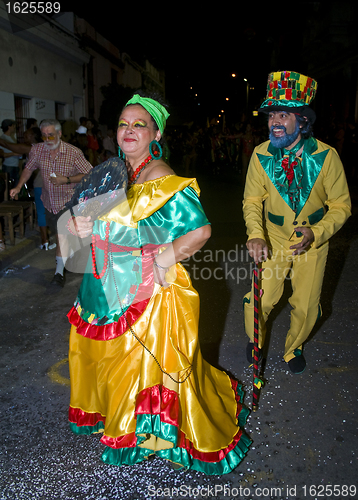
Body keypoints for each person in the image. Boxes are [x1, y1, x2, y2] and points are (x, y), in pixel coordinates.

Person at [64, 93, 251, 474]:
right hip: (105, 282)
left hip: (146, 293)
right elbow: (92, 220)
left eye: (139, 124)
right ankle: (118, 415)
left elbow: (199, 232)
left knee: (138, 363)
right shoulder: (116, 171)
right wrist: (77, 224)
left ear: (156, 133)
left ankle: (144, 434)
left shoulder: (159, 176)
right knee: (110, 357)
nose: (129, 131)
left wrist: (156, 260)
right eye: (123, 124)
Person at [242, 70, 351, 374]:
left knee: (305, 307)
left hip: (313, 245)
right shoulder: (261, 155)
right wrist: (256, 234)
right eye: (272, 114)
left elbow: (342, 205)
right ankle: (256, 340)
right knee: (259, 298)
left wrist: (317, 232)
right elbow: (252, 200)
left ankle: (294, 348)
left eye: (284, 114)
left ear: (302, 121)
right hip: (274, 239)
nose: (275, 121)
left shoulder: (327, 157)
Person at [9, 119, 92, 286]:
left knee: (62, 236)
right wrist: (18, 186)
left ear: (59, 134)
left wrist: (67, 179)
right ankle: (68, 259)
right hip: (49, 202)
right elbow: (28, 168)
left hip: (69, 201)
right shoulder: (38, 150)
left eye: (51, 135)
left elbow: (90, 173)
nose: (47, 140)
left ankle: (58, 274)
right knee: (62, 236)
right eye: (44, 136)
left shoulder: (73, 152)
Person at [0, 127, 49, 248]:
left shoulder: (33, 148)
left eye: (27, 135)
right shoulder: (46, 146)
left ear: (34, 136)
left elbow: (9, 145)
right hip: (52, 183)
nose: (24, 137)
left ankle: (45, 240)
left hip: (41, 184)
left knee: (42, 211)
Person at [0, 119, 22, 187]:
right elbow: (2, 154)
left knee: (15, 187)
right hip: (8, 166)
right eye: (13, 125)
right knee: (8, 187)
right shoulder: (3, 139)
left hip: (15, 166)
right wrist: (14, 153)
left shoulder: (12, 138)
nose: (14, 127)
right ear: (9, 126)